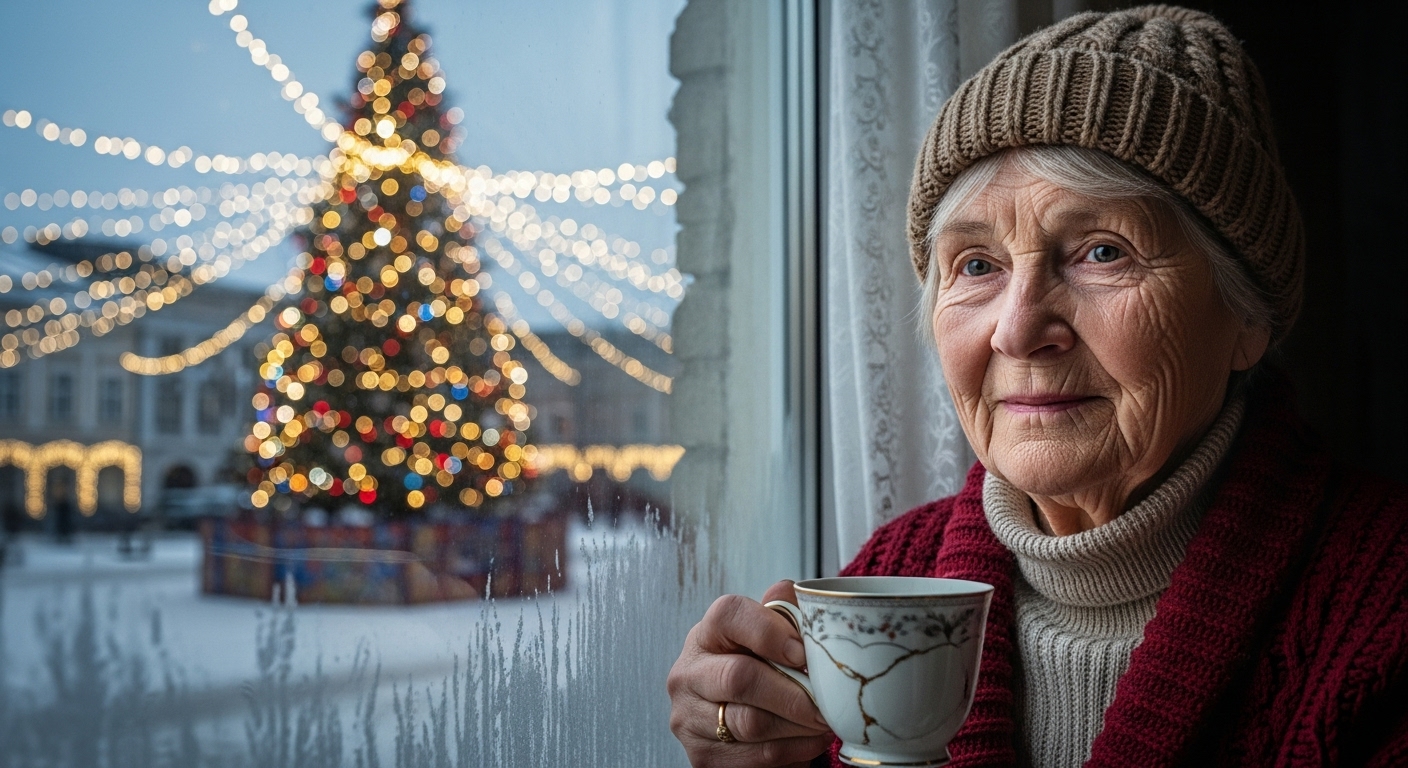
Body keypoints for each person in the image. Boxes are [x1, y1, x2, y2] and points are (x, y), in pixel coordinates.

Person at [667, 6, 1408, 767]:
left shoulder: (1385, 606)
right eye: (977, 266)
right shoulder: (893, 570)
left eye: (1100, 251)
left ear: (1246, 318)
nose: (1018, 331)